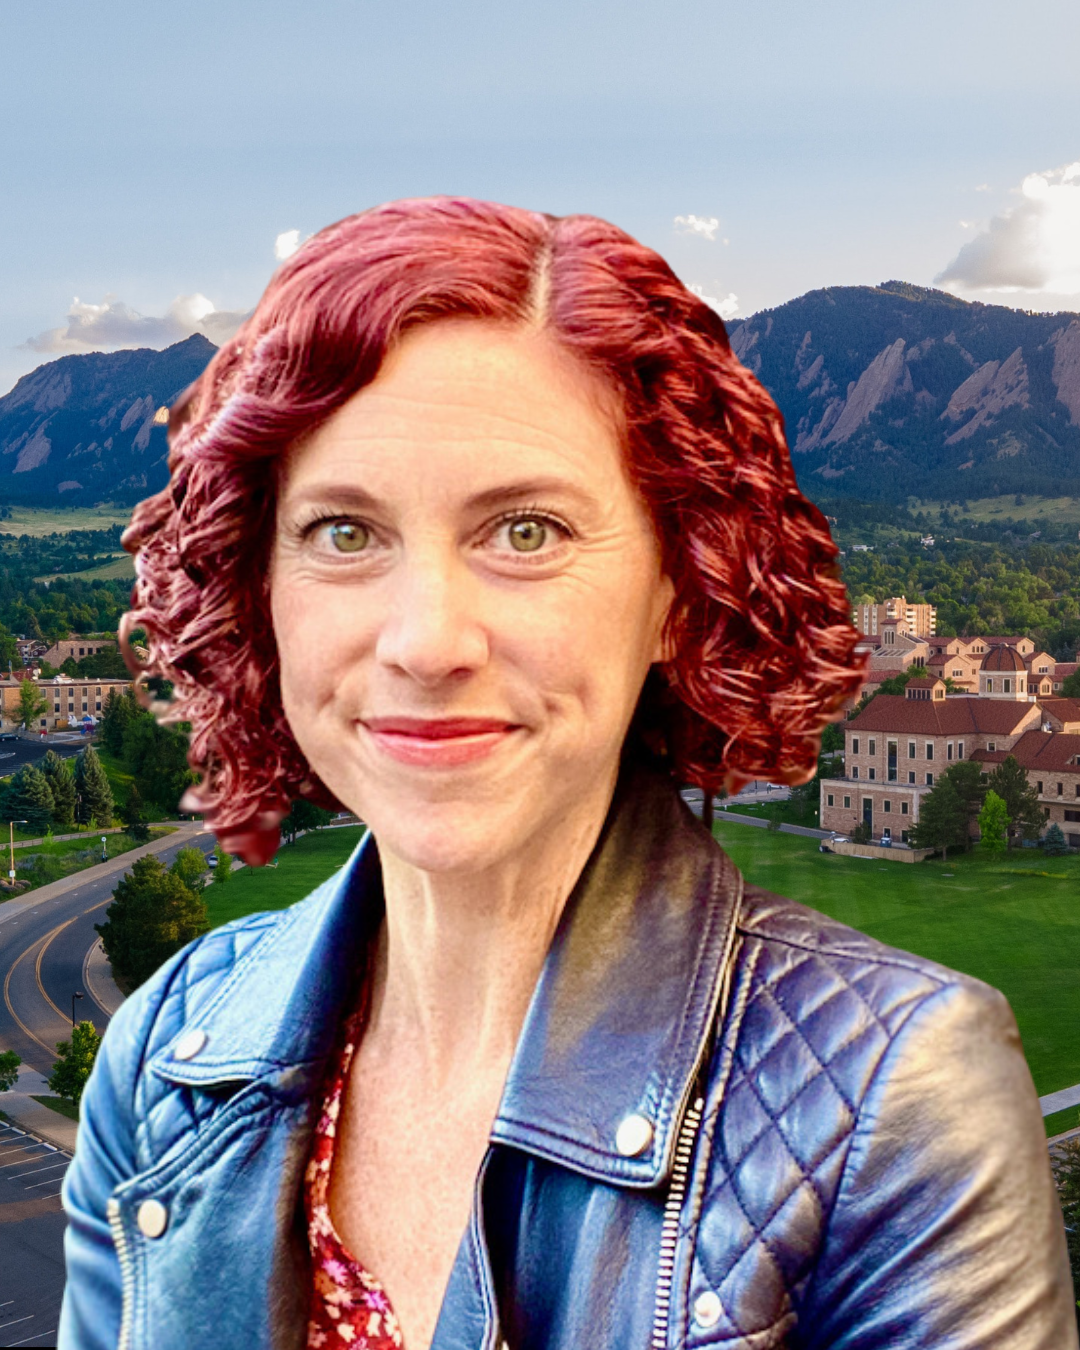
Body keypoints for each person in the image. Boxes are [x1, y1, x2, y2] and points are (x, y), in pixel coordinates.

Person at [59, 198, 1074, 1350]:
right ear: (263, 590)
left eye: (525, 531)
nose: (426, 641)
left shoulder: (894, 1095)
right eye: (345, 533)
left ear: (678, 589)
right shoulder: (169, 1055)